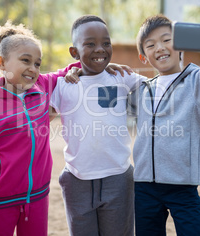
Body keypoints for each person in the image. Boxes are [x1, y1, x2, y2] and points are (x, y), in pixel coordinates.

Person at [0, 21, 82, 236]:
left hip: (37, 197)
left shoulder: (43, 86)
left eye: (37, 63)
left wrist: (103, 67)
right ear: (2, 62)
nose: (33, 68)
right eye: (25, 60)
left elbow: (72, 69)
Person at [129, 14, 200, 236]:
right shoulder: (141, 89)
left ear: (180, 45)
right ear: (144, 56)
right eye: (151, 44)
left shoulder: (197, 82)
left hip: (182, 187)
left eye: (167, 40)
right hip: (144, 185)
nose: (160, 47)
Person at [50, 15, 146, 236]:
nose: (100, 49)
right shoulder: (64, 85)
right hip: (77, 180)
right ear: (74, 52)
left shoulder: (122, 77)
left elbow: (163, 87)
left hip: (119, 178)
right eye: (90, 44)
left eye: (106, 43)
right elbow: (39, 116)